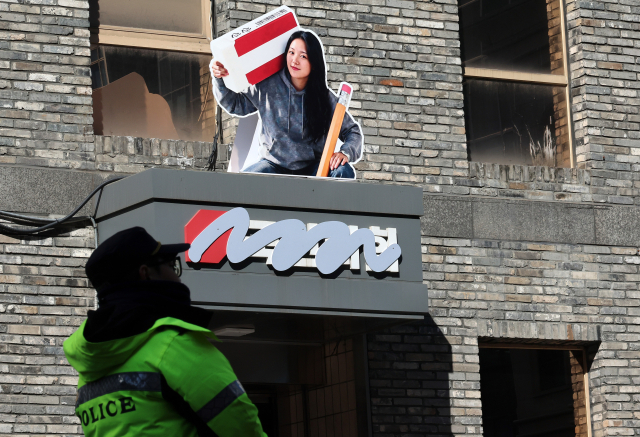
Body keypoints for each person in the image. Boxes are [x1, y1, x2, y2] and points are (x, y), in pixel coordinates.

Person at [63, 227, 266, 437]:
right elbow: (242, 424)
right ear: (146, 273)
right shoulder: (174, 345)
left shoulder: (89, 369)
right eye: (171, 265)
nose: (178, 278)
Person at [211, 30, 363, 178]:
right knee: (244, 181)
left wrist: (345, 152)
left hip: (313, 169)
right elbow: (235, 104)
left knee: (343, 170)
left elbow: (352, 131)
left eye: (303, 56)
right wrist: (219, 78)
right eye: (291, 52)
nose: (294, 60)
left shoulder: (324, 97)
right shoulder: (268, 85)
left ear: (314, 63)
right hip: (273, 165)